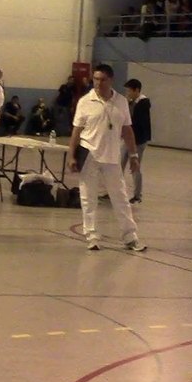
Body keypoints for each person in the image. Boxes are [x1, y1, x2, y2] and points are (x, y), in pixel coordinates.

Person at [66, 64, 144, 252]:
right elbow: (76, 131)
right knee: (88, 198)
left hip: (112, 157)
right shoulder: (85, 101)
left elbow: (127, 130)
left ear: (111, 80)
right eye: (96, 79)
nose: (98, 83)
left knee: (120, 198)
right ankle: (92, 235)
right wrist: (71, 156)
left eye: (102, 79)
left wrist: (133, 155)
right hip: (89, 154)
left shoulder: (122, 102)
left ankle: (130, 237)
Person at [122, 79, 151, 203]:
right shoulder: (131, 103)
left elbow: (138, 123)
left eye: (129, 90)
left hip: (138, 140)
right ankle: (114, 191)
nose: (127, 93)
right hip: (128, 139)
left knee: (135, 167)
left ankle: (137, 195)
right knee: (119, 164)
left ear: (136, 90)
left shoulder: (143, 104)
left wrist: (134, 141)